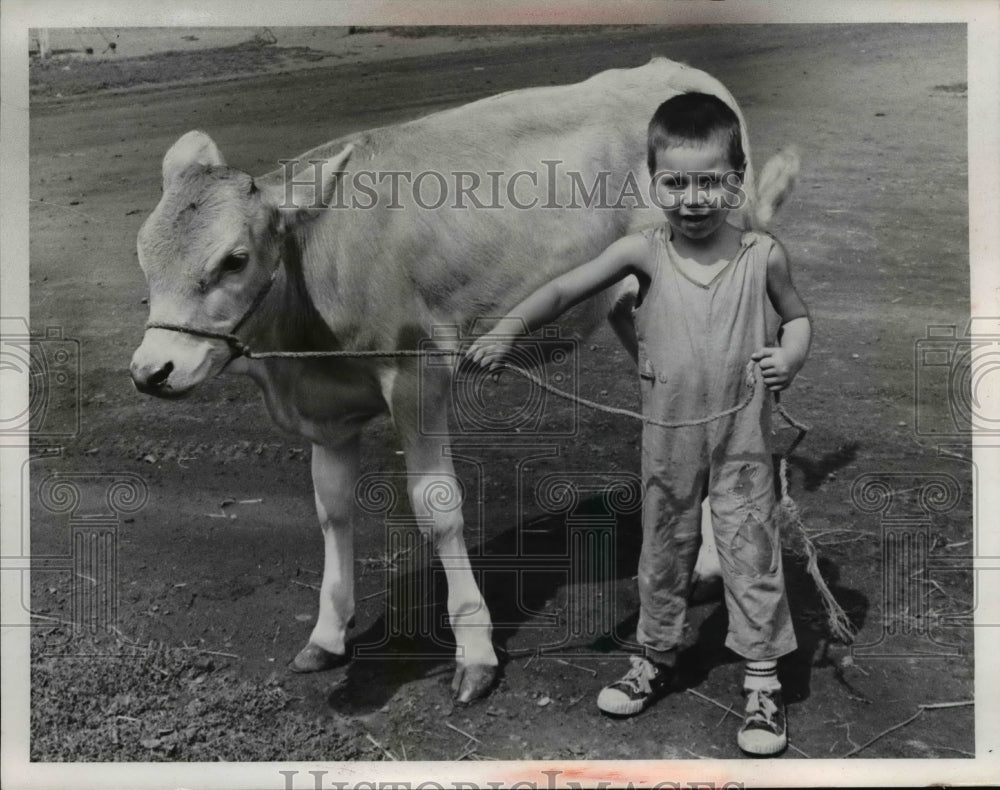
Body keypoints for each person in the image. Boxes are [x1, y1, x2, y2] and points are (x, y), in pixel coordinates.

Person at [466, 92, 811, 756]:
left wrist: (788, 356)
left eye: (710, 181)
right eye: (674, 182)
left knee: (750, 553)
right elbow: (566, 289)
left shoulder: (762, 255)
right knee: (664, 551)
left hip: (741, 438)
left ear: (737, 180)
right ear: (652, 184)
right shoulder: (643, 252)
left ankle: (763, 682)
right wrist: (509, 327)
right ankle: (653, 656)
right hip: (669, 439)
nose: (692, 197)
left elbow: (796, 316)